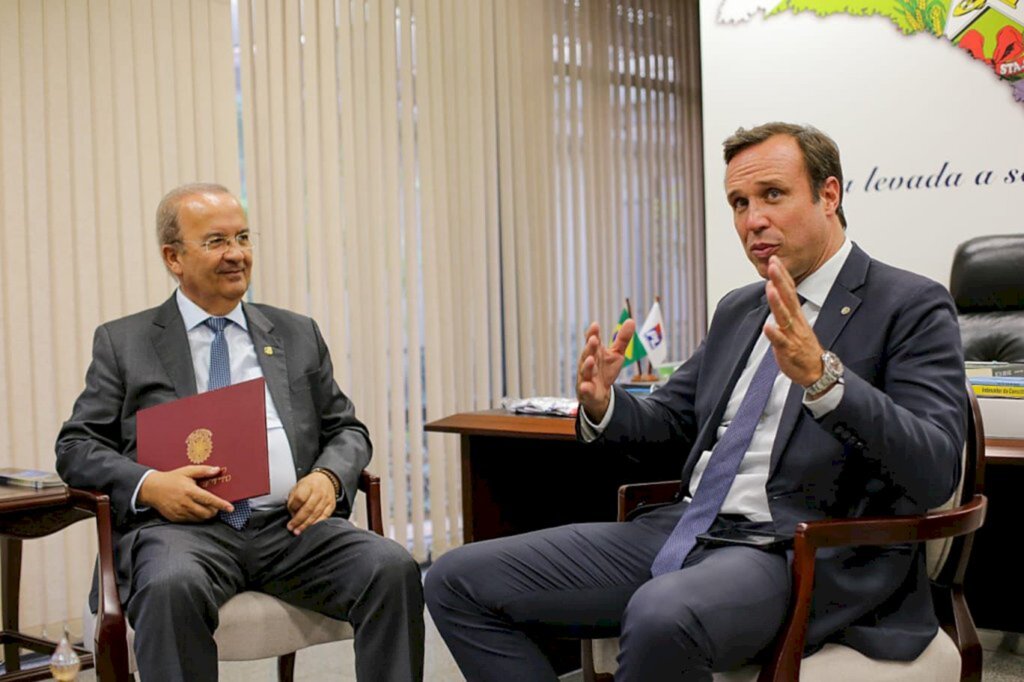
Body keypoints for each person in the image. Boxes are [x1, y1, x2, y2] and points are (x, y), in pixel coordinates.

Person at [425, 123, 966, 681]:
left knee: (663, 614)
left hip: (794, 551)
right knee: (455, 579)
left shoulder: (910, 304)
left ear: (829, 195)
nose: (752, 220)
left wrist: (825, 380)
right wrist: (605, 404)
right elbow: (669, 420)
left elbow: (933, 466)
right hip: (686, 529)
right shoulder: (739, 308)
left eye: (772, 196)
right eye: (739, 202)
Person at [56, 183, 424, 681]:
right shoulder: (126, 343)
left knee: (392, 568)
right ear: (173, 257)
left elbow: (347, 430)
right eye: (215, 241)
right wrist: (151, 485)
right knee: (170, 586)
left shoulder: (295, 333)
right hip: (182, 535)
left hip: (290, 529)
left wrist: (329, 478)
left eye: (243, 237)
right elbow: (76, 446)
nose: (237, 255)